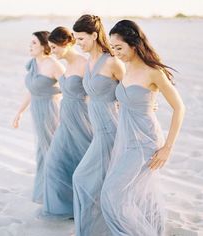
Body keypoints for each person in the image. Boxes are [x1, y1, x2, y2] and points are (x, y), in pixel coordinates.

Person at [101, 19, 185, 236]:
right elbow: (126, 98)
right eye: (113, 48)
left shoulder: (153, 72)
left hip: (145, 143)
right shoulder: (125, 69)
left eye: (119, 48)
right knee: (136, 194)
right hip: (126, 140)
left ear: (134, 44)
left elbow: (179, 108)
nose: (116, 53)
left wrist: (168, 147)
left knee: (112, 192)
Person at [72, 15, 125, 236]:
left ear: (94, 35)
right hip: (97, 130)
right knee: (99, 182)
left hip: (110, 130)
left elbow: (130, 92)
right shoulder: (88, 63)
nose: (78, 43)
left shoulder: (112, 62)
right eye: (75, 39)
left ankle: (92, 229)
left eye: (81, 38)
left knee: (82, 178)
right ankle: (93, 228)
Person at [39, 26, 93, 219]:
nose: (52, 52)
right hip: (66, 120)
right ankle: (65, 208)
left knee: (83, 164)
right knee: (54, 163)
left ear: (68, 43)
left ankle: (87, 210)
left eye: (55, 47)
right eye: (50, 48)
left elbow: (100, 91)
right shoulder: (66, 66)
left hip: (82, 119)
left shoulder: (85, 64)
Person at [12, 31, 64, 204]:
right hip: (36, 110)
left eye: (34, 42)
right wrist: (19, 112)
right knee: (42, 152)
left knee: (52, 152)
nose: (30, 46)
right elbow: (32, 90)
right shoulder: (33, 63)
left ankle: (60, 196)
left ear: (45, 46)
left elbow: (70, 88)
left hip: (50, 112)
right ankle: (44, 193)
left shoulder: (54, 65)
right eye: (30, 42)